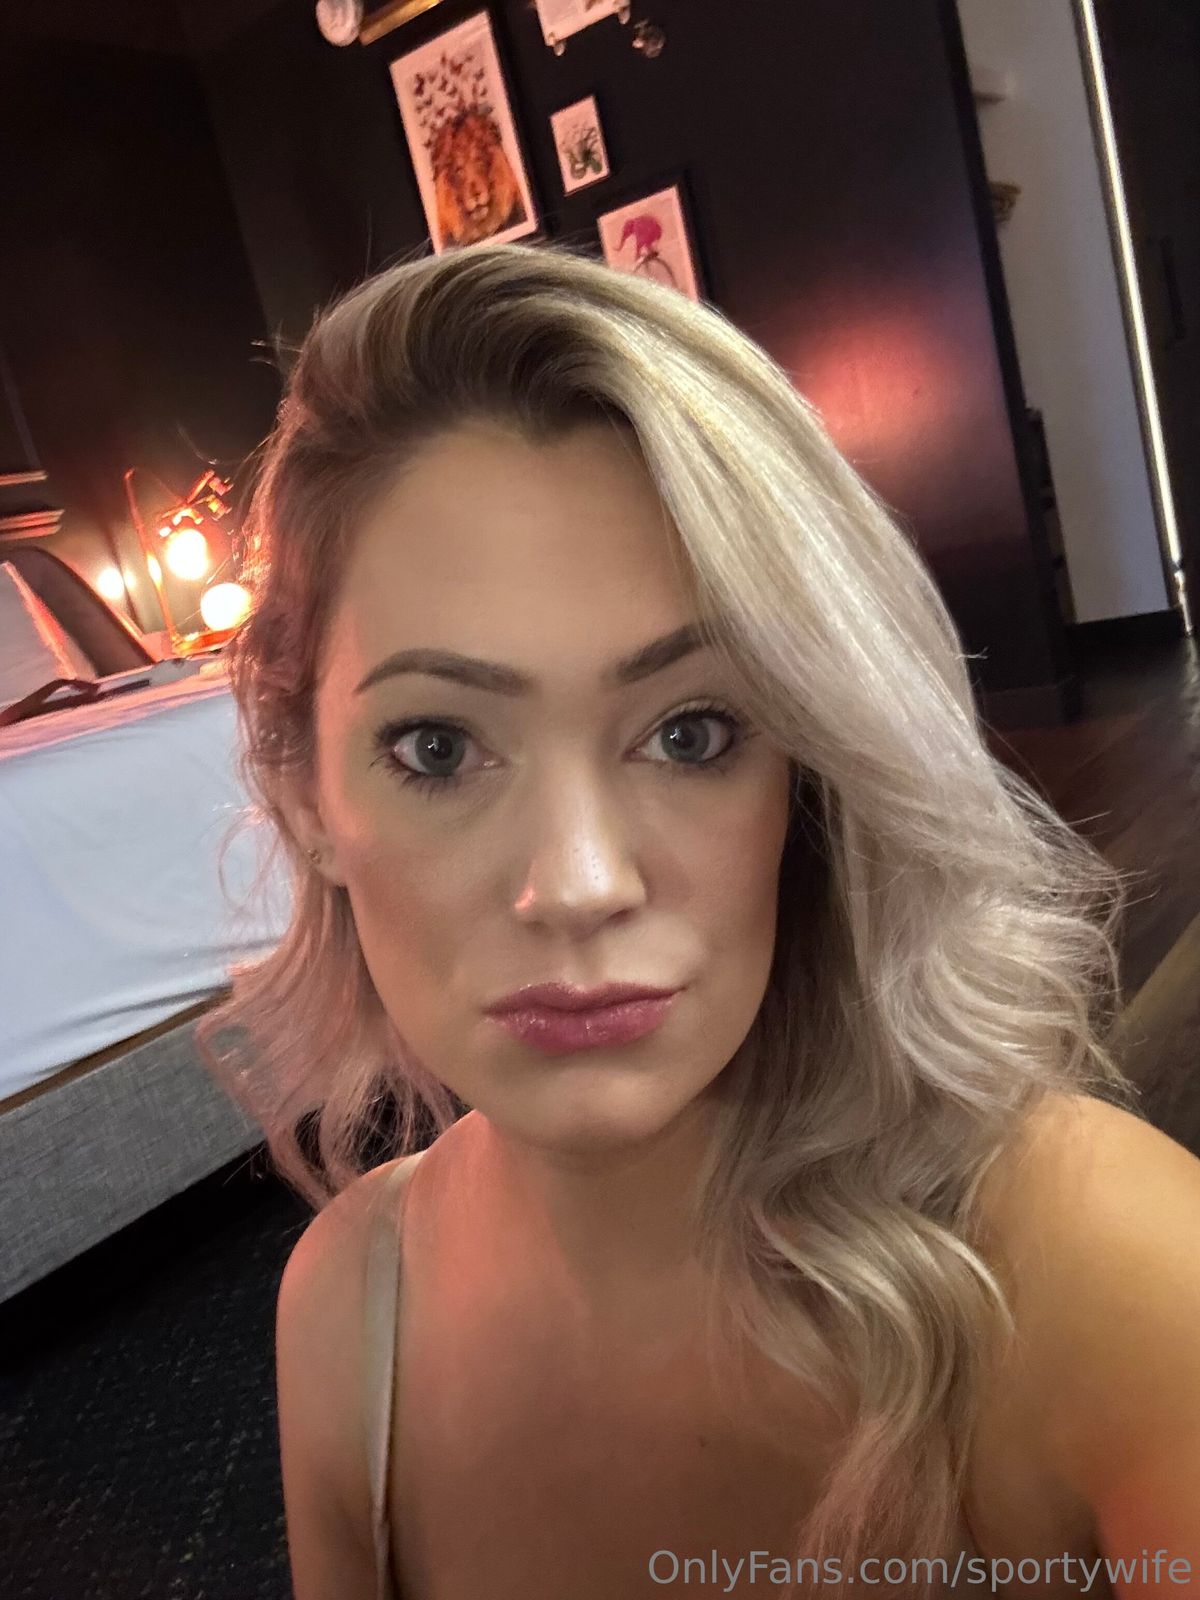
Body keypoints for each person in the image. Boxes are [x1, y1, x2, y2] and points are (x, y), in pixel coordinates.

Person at [198, 241, 1200, 1600]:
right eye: (438, 747)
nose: (579, 883)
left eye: (692, 732)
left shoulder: (1110, 1280)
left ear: (810, 767)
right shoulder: (345, 1311)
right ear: (302, 791)